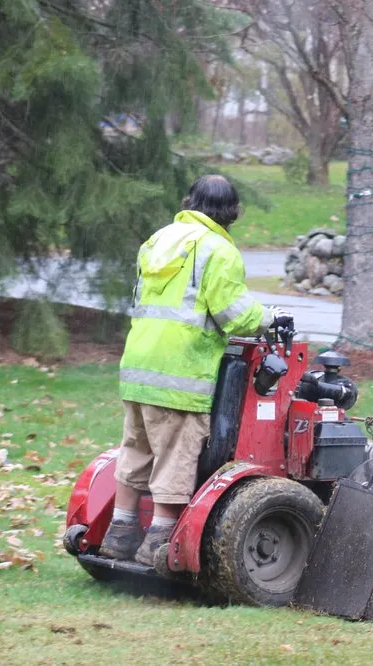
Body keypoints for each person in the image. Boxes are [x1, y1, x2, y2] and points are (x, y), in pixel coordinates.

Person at [99, 175, 292, 565]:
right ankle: (158, 542)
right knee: (176, 454)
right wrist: (270, 317)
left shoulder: (157, 241)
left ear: (189, 201)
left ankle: (119, 534)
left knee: (136, 449)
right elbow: (234, 315)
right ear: (233, 212)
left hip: (138, 367)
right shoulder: (218, 250)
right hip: (180, 374)